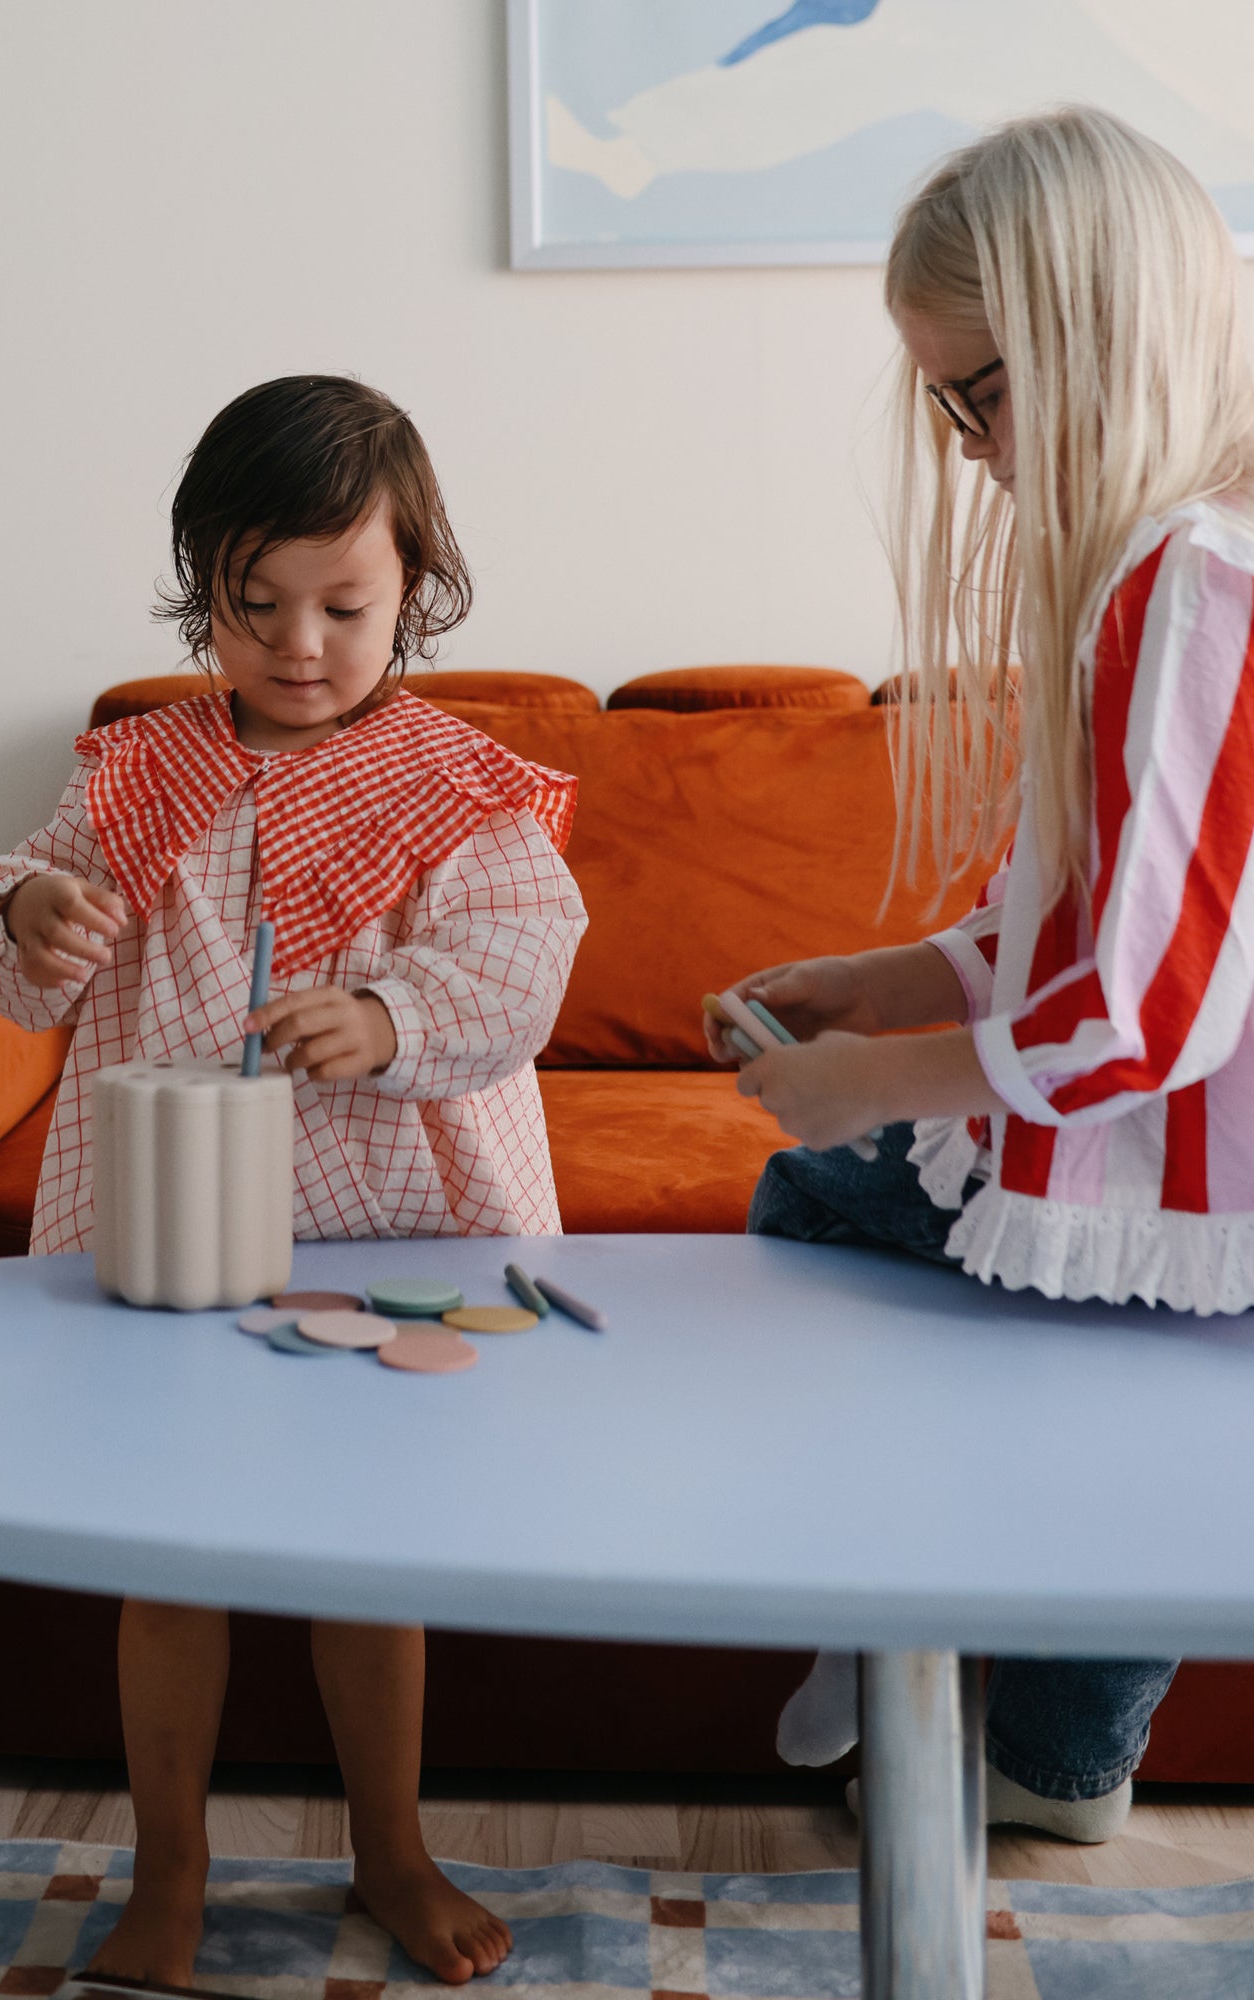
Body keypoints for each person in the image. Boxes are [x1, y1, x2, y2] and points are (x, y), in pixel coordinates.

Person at [0, 374, 587, 1981]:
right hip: (174, 1231)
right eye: (256, 605)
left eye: (344, 604)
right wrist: (25, 914)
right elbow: (13, 915)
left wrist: (391, 1014)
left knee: (367, 1566)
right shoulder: (136, 775)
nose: (300, 643)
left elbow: (526, 958)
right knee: (173, 1567)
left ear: (414, 591)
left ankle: (393, 1849)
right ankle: (170, 1875)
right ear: (202, 593)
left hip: (381, 1234)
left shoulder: (460, 787)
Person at [709, 106, 1254, 1844]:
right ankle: (1055, 1764)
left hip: (1183, 1172)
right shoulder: (1175, 571)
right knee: (1081, 1394)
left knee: (816, 1197)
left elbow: (1157, 1008)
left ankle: (885, 1629)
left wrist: (877, 1081)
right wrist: (893, 978)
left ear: (1097, 336)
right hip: (1184, 1183)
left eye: (978, 398)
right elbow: (1107, 908)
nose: (961, 450)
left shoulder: (1190, 583)